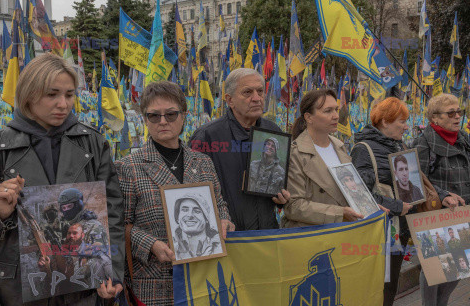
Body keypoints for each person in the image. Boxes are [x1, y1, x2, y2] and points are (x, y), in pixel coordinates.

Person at [0, 53, 124, 305]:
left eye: (69, 94)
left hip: (82, 289)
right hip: (18, 290)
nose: (63, 103)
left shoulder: (92, 143)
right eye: (52, 94)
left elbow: (113, 214)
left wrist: (112, 274)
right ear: (29, 94)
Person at [115, 81, 234, 305]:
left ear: (183, 116)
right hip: (154, 283)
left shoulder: (203, 162)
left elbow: (219, 205)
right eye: (154, 116)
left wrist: (225, 220)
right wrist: (150, 244)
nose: (162, 121)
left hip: (202, 279)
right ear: (144, 119)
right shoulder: (128, 166)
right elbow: (118, 225)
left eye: (170, 114)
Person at [351, 97, 461, 306]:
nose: (406, 126)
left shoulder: (398, 145)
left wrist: (443, 194)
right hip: (377, 232)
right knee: (377, 288)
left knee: (390, 285)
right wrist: (396, 206)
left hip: (399, 230)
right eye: (401, 121)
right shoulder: (363, 149)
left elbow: (416, 180)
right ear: (385, 121)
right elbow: (359, 194)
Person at [189, 68, 289, 231]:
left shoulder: (274, 132)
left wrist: (283, 197)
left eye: (260, 91)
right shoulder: (207, 136)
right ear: (229, 100)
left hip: (267, 234)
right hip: (228, 238)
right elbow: (192, 193)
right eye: (248, 92)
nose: (256, 98)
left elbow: (281, 182)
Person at [281, 89, 366, 228]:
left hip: (341, 232)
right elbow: (294, 206)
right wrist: (340, 213)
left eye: (336, 109)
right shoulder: (295, 153)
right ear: (309, 117)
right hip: (312, 237)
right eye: (328, 111)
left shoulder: (340, 147)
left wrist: (367, 207)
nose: (336, 116)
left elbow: (350, 191)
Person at [413, 93, 467, 305]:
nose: (457, 117)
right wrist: (443, 195)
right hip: (436, 216)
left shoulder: (464, 139)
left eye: (459, 112)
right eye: (450, 113)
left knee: (457, 270)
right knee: (434, 271)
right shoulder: (423, 142)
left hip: (462, 213)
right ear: (435, 118)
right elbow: (415, 181)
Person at [173, 193, 222, 260]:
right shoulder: (172, 247)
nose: (190, 215)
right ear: (177, 218)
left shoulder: (219, 245)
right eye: (184, 210)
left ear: (206, 219)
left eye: (197, 211)